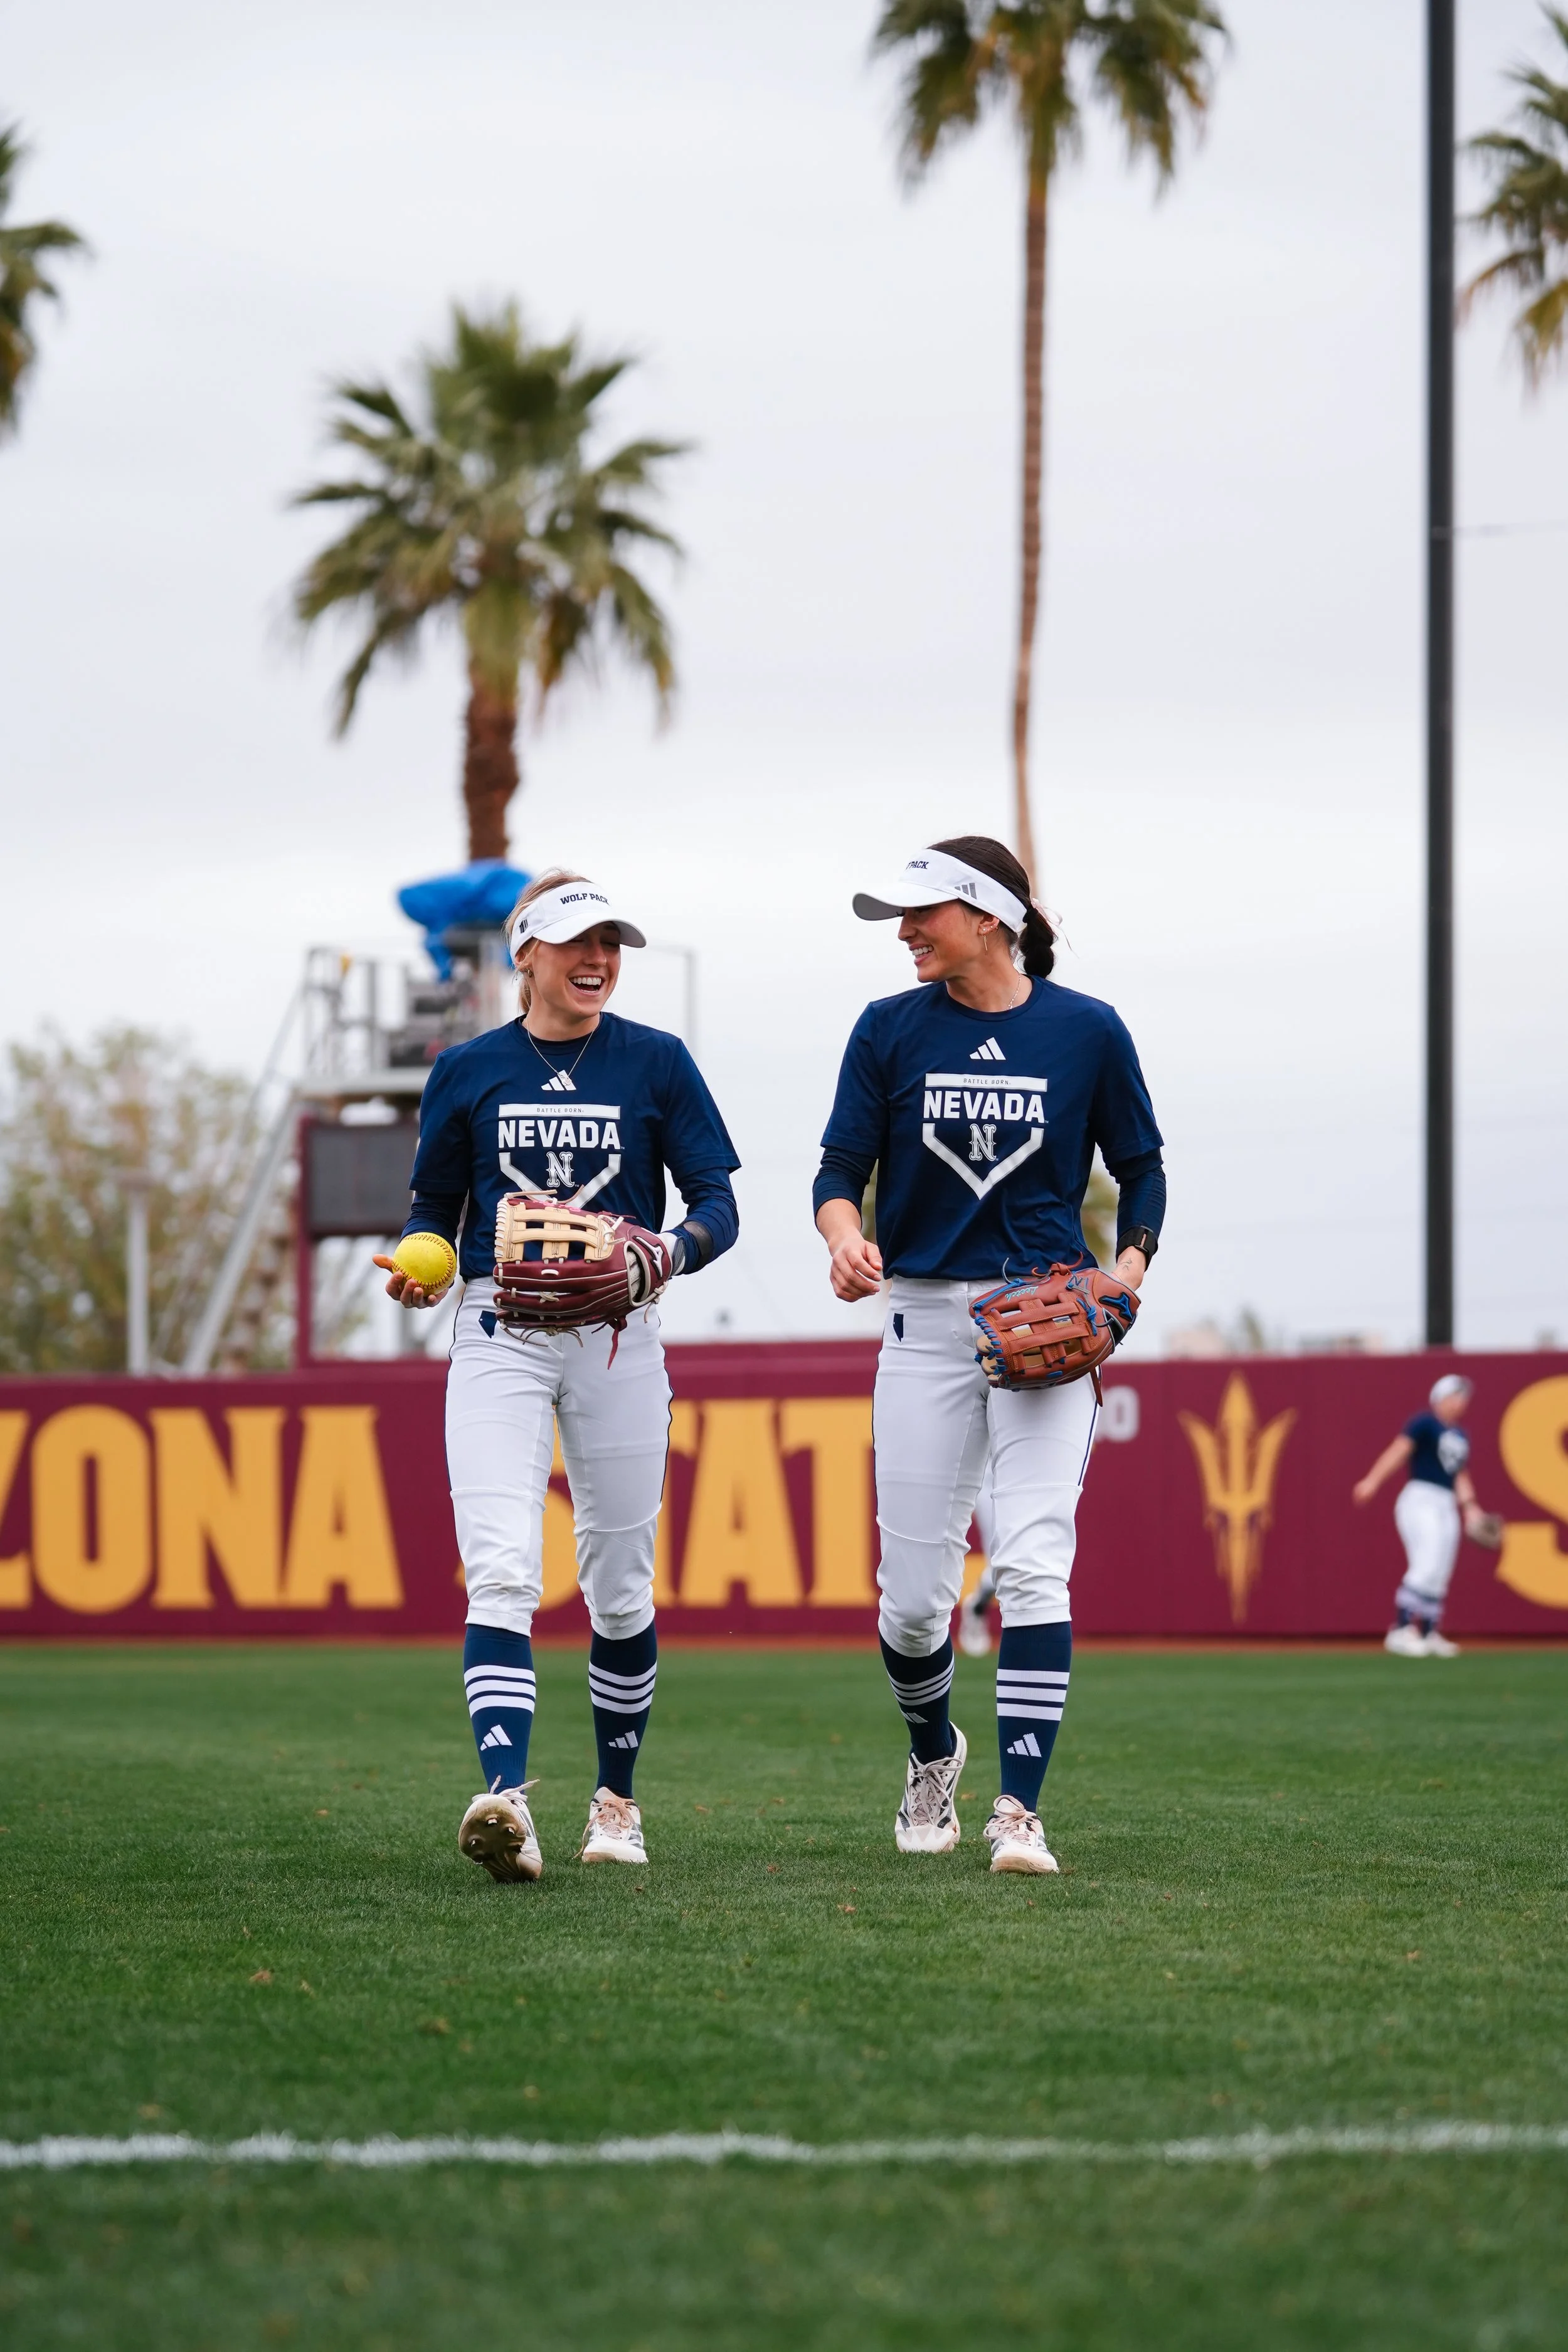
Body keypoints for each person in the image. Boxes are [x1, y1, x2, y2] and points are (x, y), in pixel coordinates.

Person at [376, 871, 739, 1882]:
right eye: (578, 941)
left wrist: (671, 1250)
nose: (599, 960)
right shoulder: (469, 1067)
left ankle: (615, 1802)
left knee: (619, 1587)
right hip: (500, 1325)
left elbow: (717, 1203)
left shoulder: (658, 1062)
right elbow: (432, 1205)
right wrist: (417, 1260)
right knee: (499, 1567)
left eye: (613, 943)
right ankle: (509, 1798)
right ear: (524, 952)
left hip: (621, 1332)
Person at [812, 837, 1165, 1875]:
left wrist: (1128, 1276)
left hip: (1047, 1321)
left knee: (1033, 1560)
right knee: (913, 1598)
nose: (906, 931)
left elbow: (1142, 1168)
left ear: (990, 917)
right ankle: (934, 1753)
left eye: (923, 914)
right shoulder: (887, 1030)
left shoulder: (1086, 1030)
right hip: (922, 1320)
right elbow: (840, 1167)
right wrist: (842, 1235)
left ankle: (1020, 1811)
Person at [1352, 1372, 1488, 1658]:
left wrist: (1471, 1508)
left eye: (1463, 1396)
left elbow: (1460, 1474)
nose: (1462, 1401)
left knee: (1440, 1569)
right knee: (1425, 1563)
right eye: (1456, 1395)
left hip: (1446, 1501)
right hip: (1420, 1497)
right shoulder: (1425, 1423)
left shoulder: (1460, 1435)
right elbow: (1399, 1450)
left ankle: (1428, 1632)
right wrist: (1372, 1480)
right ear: (1441, 1398)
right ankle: (1401, 1630)